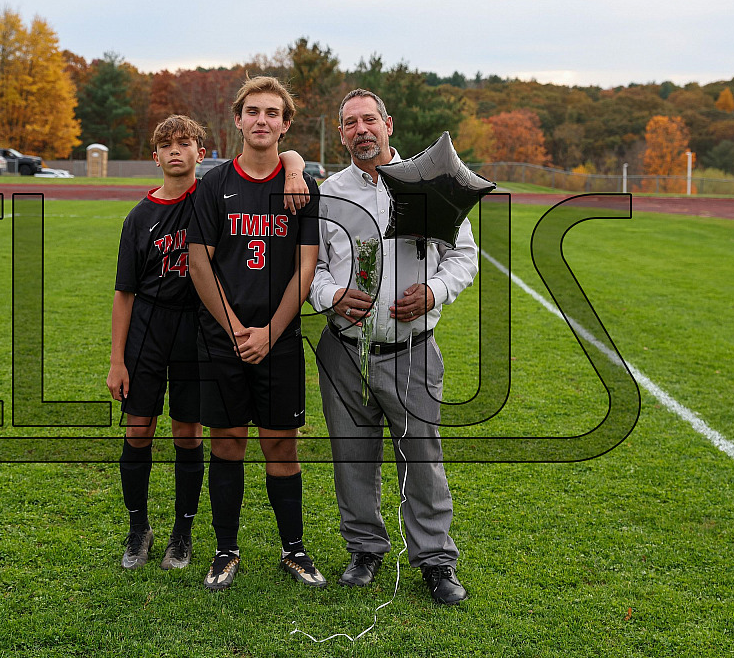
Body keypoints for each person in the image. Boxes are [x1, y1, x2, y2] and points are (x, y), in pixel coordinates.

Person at [108, 114, 309, 571]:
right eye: (166, 145)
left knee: (187, 431)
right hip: (148, 328)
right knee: (138, 429)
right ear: (154, 156)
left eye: (185, 143)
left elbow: (279, 159)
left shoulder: (213, 192)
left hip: (196, 327)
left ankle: (183, 531)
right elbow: (124, 293)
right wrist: (117, 359)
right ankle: (138, 528)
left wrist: (294, 162)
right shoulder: (139, 217)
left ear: (202, 152)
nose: (175, 151)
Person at [308, 89, 478, 604]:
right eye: (350, 123)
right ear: (341, 134)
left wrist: (433, 291)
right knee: (352, 456)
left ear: (388, 123)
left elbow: (464, 257)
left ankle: (435, 560)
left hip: (412, 349)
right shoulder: (327, 194)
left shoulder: (430, 184)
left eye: (370, 120)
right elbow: (309, 269)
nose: (361, 129)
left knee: (422, 459)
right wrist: (332, 295)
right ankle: (364, 549)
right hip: (345, 349)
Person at [188, 76, 325, 591]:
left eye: (273, 113)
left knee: (281, 448)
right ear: (238, 119)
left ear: (285, 125)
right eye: (253, 111)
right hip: (223, 339)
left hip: (280, 339)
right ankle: (226, 550)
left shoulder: (300, 186)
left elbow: (306, 266)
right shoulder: (213, 184)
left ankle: (294, 550)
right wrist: (238, 328)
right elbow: (200, 264)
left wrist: (269, 331)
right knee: (226, 445)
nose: (262, 120)